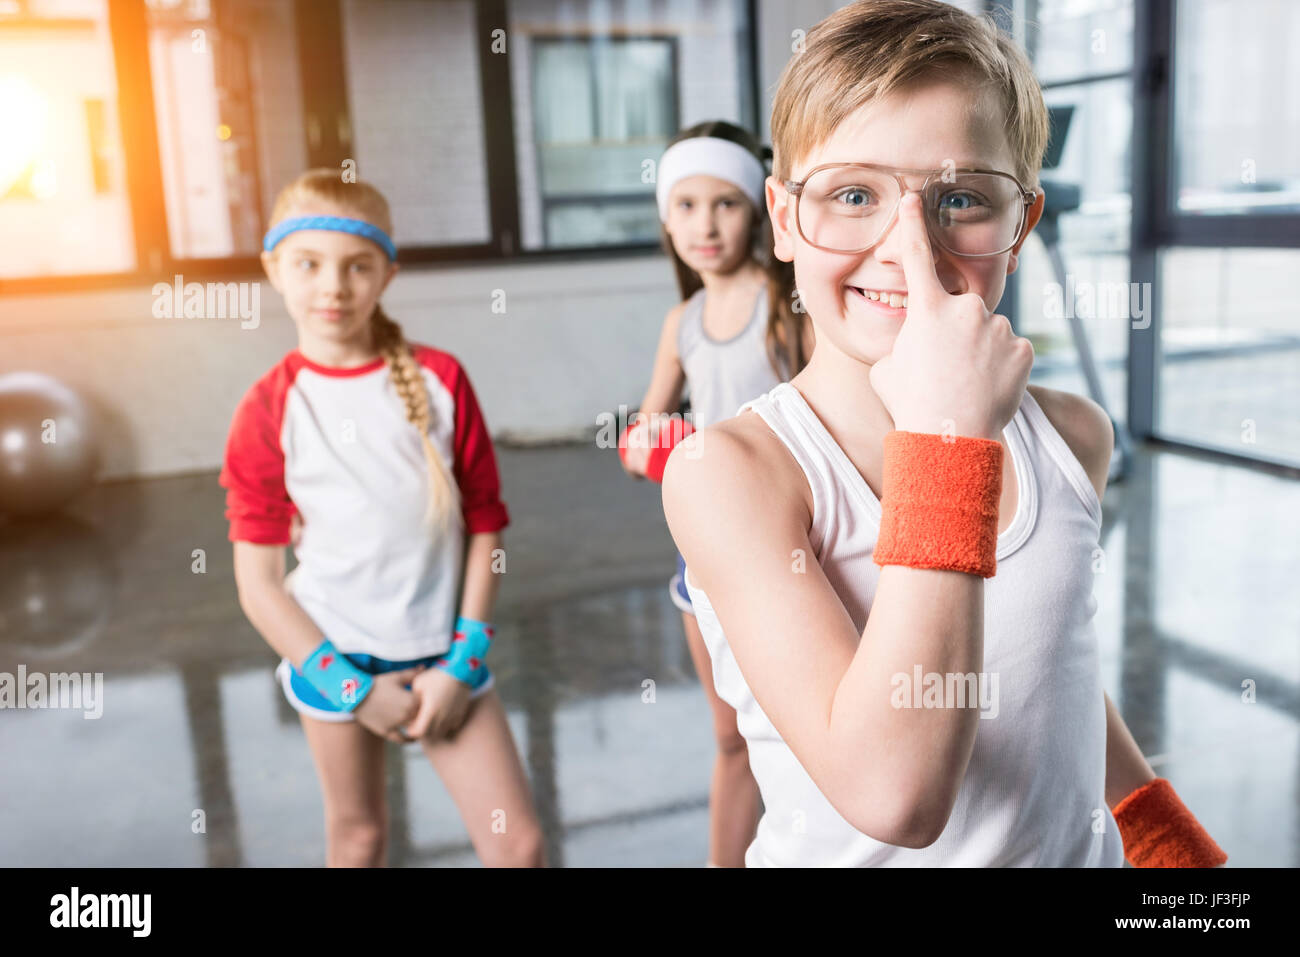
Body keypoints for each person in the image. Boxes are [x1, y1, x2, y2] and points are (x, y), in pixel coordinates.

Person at [662, 0, 1226, 868]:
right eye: (854, 194)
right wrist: (948, 436)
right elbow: (897, 794)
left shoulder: (1072, 436)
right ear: (783, 218)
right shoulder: (734, 473)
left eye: (959, 198)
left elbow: (1048, 671)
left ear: (1021, 227)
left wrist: (1160, 836)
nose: (907, 252)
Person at [220, 169, 544, 867]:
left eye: (356, 266)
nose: (333, 287)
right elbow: (260, 586)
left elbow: (486, 524)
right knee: (359, 837)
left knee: (518, 845)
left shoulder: (441, 380)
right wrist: (354, 691)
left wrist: (462, 661)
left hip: (446, 658)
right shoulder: (267, 408)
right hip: (333, 659)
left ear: (386, 274)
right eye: (309, 265)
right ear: (275, 269)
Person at [619, 120, 813, 867]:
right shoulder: (683, 322)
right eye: (688, 205)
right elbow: (642, 433)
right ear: (667, 220)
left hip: (791, 554)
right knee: (731, 733)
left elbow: (822, 421)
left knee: (801, 727)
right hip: (703, 560)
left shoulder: (784, 303)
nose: (705, 223)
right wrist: (661, 443)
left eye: (725, 203)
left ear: (759, 211)